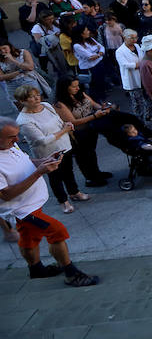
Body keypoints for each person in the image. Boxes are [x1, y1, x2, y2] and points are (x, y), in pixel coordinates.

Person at [0, 117, 99, 286]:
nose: (17, 140)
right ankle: (71, 273)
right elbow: (6, 194)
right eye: (11, 137)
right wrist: (39, 172)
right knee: (57, 231)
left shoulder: (9, 145)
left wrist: (44, 161)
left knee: (29, 236)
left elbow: (25, 161)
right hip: (22, 210)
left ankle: (36, 269)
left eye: (16, 135)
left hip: (32, 204)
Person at [14, 87, 90, 212]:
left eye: (37, 95)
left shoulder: (46, 105)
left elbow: (58, 120)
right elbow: (42, 140)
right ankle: (63, 201)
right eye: (32, 97)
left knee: (68, 171)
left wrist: (66, 125)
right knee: (55, 177)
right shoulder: (24, 121)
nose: (37, 98)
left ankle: (74, 192)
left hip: (64, 145)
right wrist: (64, 130)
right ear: (22, 101)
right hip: (47, 153)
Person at [115, 29, 152, 124]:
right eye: (132, 37)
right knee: (137, 103)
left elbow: (144, 58)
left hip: (143, 77)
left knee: (148, 98)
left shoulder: (137, 46)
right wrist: (139, 64)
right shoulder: (119, 51)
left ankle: (149, 116)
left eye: (135, 37)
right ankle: (139, 122)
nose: (134, 40)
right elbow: (125, 65)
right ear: (124, 38)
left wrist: (142, 64)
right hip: (132, 80)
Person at [71, 24, 106, 100]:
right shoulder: (77, 46)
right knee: (94, 87)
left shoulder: (90, 40)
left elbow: (102, 47)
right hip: (90, 69)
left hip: (99, 65)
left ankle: (103, 101)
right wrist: (99, 53)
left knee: (101, 83)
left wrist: (98, 54)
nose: (88, 31)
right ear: (81, 33)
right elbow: (90, 57)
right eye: (86, 30)